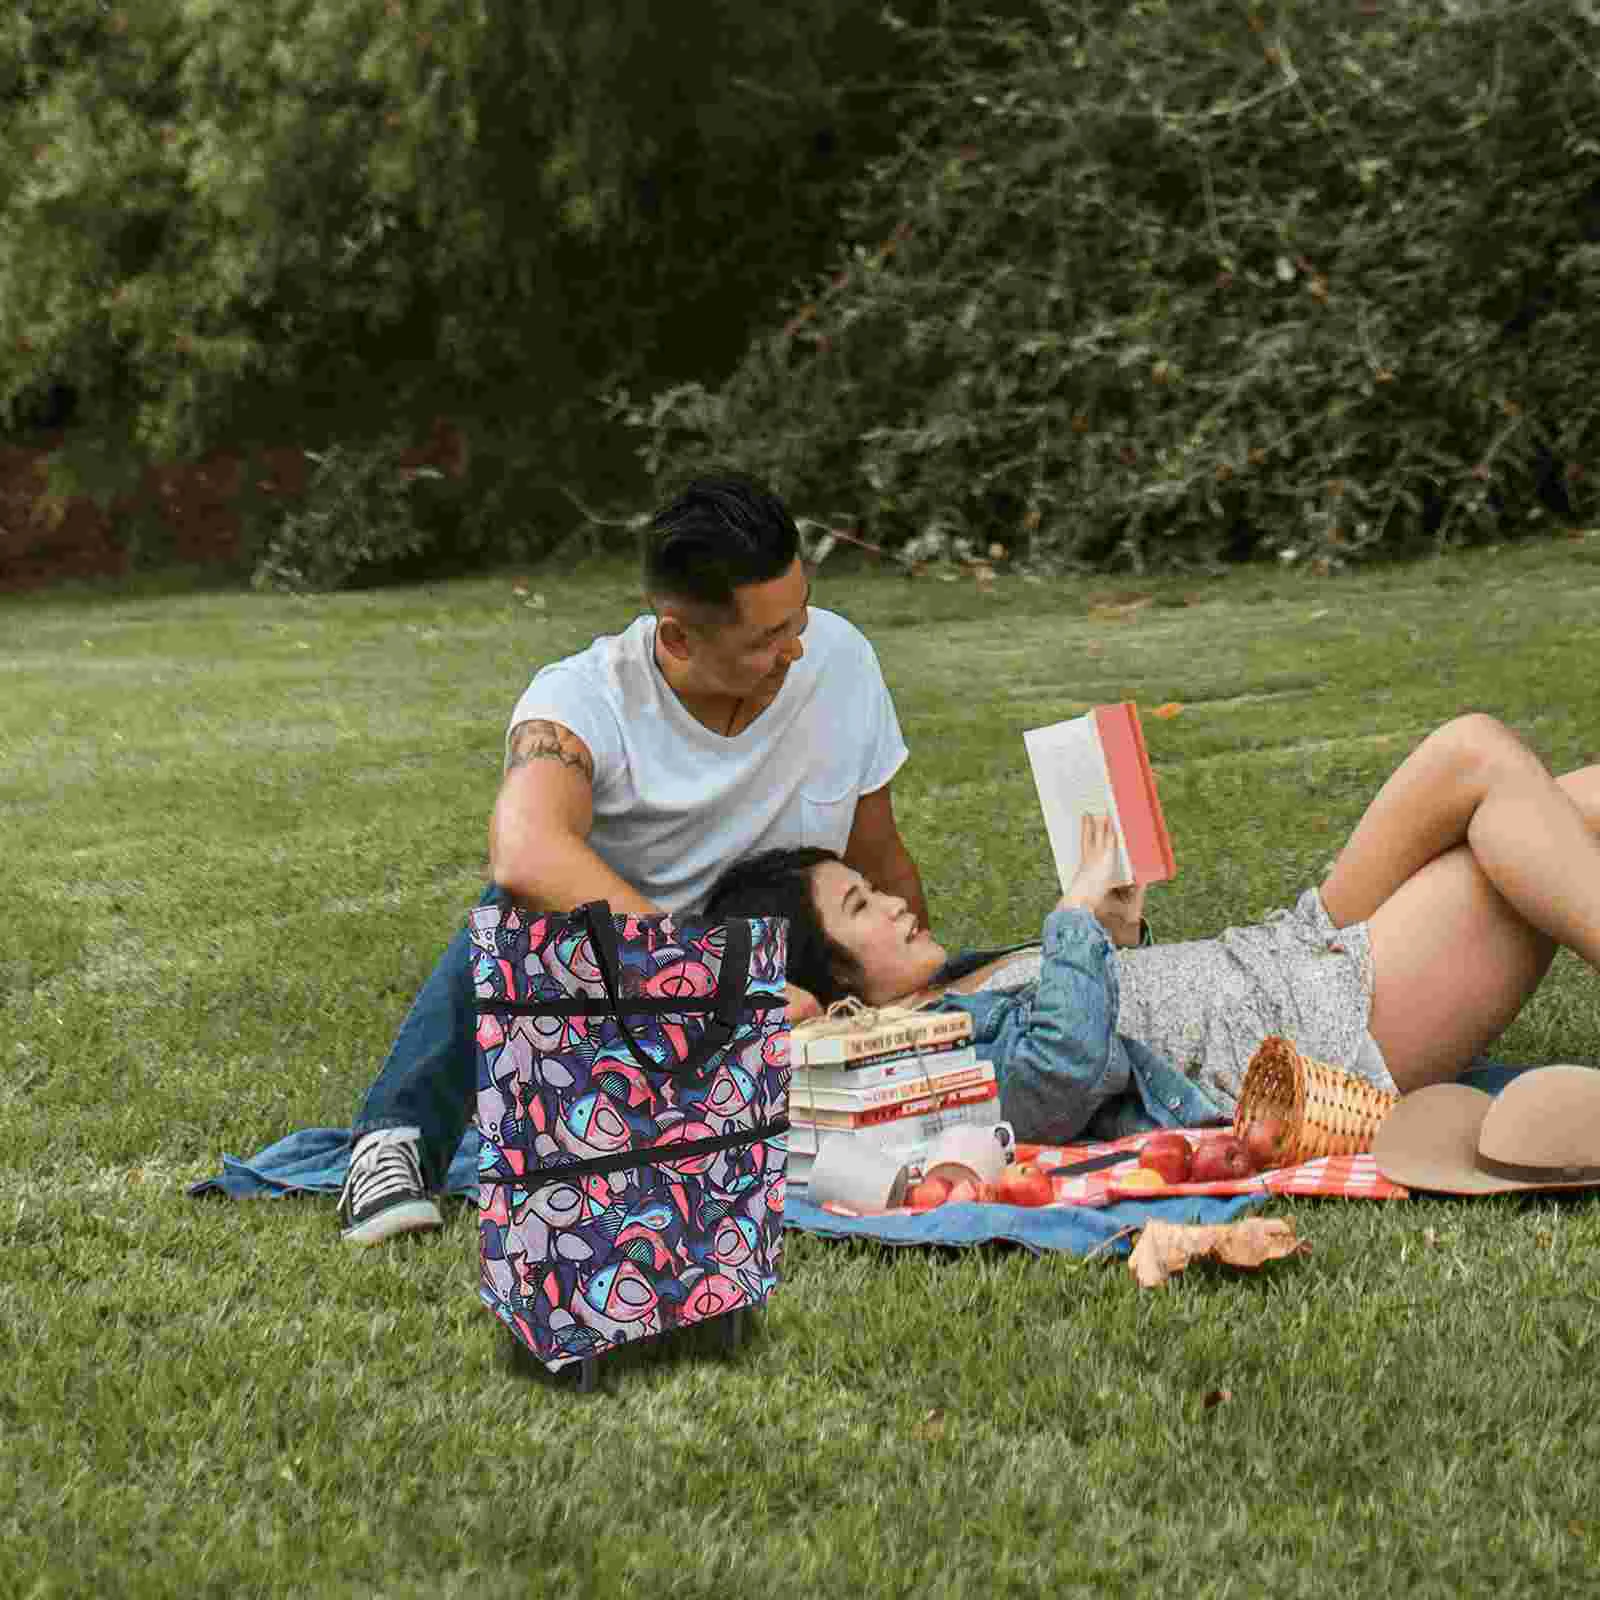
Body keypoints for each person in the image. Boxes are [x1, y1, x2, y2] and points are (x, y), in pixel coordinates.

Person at [339, 474, 929, 1243]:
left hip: (796, 994)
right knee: (515, 907)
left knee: (1012, 980)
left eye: (801, 614)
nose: (797, 647)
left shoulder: (840, 660)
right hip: (632, 1005)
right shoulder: (586, 700)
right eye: (765, 639)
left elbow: (878, 853)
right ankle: (395, 1139)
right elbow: (524, 851)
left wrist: (921, 998)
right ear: (678, 636)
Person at [703, 714, 1600, 1145]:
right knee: (1503, 802)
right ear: (839, 987)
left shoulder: (959, 985)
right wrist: (1069, 921)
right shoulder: (918, 1061)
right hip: (1320, 1032)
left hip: (1286, 955)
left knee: (1519, 780)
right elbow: (1052, 1084)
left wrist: (1114, 933)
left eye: (871, 888)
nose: (896, 901)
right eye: (862, 909)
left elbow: (1116, 1019)